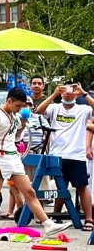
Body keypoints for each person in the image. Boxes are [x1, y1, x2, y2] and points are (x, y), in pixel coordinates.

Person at [0, 87, 74, 238]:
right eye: (17, 105)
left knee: (29, 192)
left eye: (22, 106)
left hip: (13, 156)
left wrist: (23, 122)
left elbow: (15, 136)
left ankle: (48, 224)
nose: (20, 108)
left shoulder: (15, 116)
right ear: (9, 101)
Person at [34, 83, 94, 232]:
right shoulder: (55, 108)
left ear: (75, 94)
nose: (68, 94)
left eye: (71, 91)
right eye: (65, 91)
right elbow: (39, 110)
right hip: (57, 154)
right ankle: (57, 216)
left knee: (81, 187)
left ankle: (89, 219)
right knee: (61, 187)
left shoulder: (83, 109)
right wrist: (54, 94)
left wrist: (84, 94)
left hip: (77, 155)